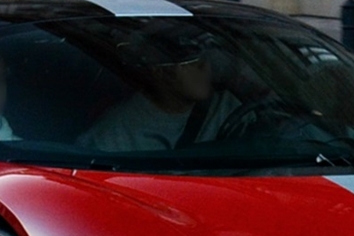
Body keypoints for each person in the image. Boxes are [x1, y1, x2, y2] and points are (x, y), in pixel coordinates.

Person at [82, 36, 248, 153]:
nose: (204, 69)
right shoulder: (115, 134)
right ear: (160, 72)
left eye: (205, 59)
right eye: (189, 63)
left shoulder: (228, 108)